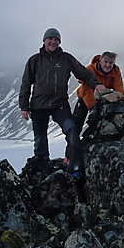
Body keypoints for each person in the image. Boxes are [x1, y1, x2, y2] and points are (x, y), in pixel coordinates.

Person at [19, 28, 105, 179]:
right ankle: (43, 167)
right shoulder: (34, 60)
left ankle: (75, 165)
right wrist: (24, 107)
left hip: (60, 105)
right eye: (50, 39)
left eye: (56, 40)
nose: (53, 42)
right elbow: (26, 84)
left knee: (71, 129)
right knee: (40, 138)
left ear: (59, 42)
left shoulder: (66, 58)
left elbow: (83, 73)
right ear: (44, 41)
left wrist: (96, 84)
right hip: (38, 106)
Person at [73, 51, 124, 133]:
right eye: (106, 62)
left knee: (100, 122)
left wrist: (121, 101)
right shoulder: (90, 69)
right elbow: (86, 90)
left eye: (111, 63)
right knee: (77, 123)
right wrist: (92, 106)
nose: (108, 65)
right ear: (100, 61)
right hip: (84, 97)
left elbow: (118, 86)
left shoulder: (116, 70)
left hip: (102, 97)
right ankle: (74, 143)